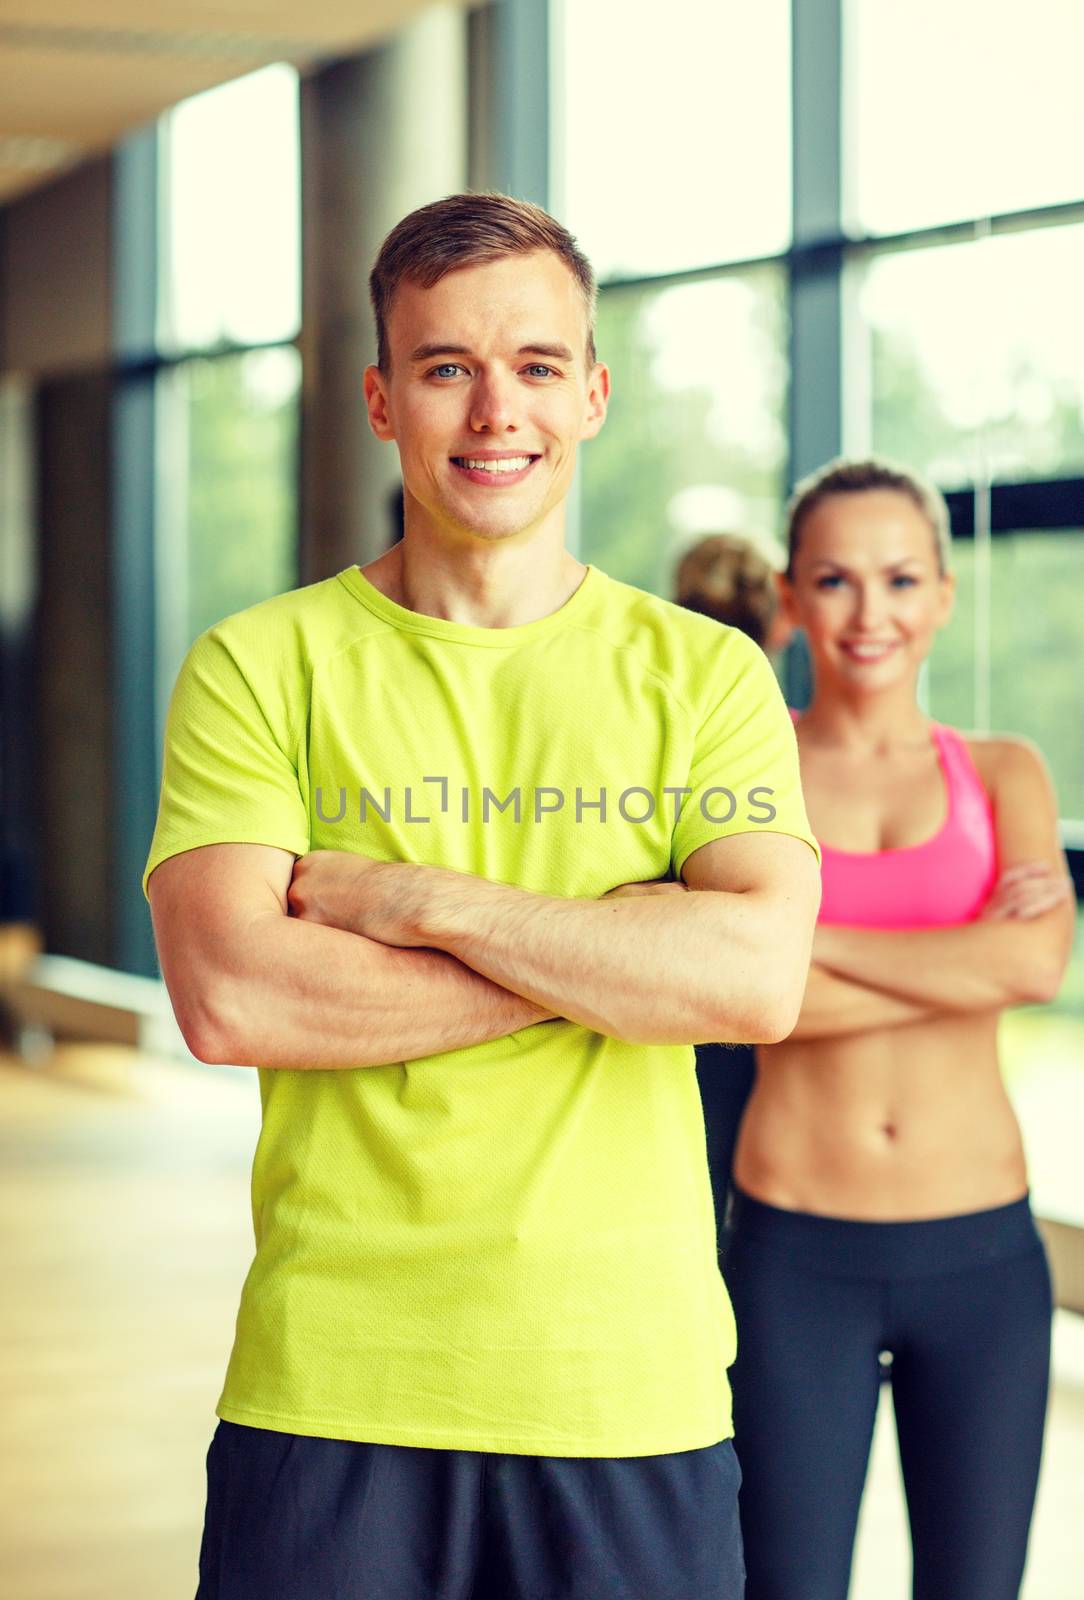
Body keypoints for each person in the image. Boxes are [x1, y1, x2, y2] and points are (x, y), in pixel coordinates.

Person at [143, 192, 822, 1600]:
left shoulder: (704, 678)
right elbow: (230, 994)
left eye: (533, 366)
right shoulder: (263, 664)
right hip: (333, 1382)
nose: (492, 410)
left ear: (593, 393)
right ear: (385, 399)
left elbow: (751, 983)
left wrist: (420, 901)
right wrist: (616, 953)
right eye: (447, 367)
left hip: (625, 1388)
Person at [722, 457, 1076, 1600]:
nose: (868, 612)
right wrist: (955, 963)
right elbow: (733, 996)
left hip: (979, 1254)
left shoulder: (1003, 769)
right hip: (791, 1255)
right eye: (833, 579)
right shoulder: (742, 767)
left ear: (941, 596)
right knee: (785, 1584)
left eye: (899, 578)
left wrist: (805, 940)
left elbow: (1034, 959)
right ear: (788, 597)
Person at [674, 532, 795, 1228]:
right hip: (730, 1008)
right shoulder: (772, 732)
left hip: (689, 994)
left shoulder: (662, 710)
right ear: (782, 615)